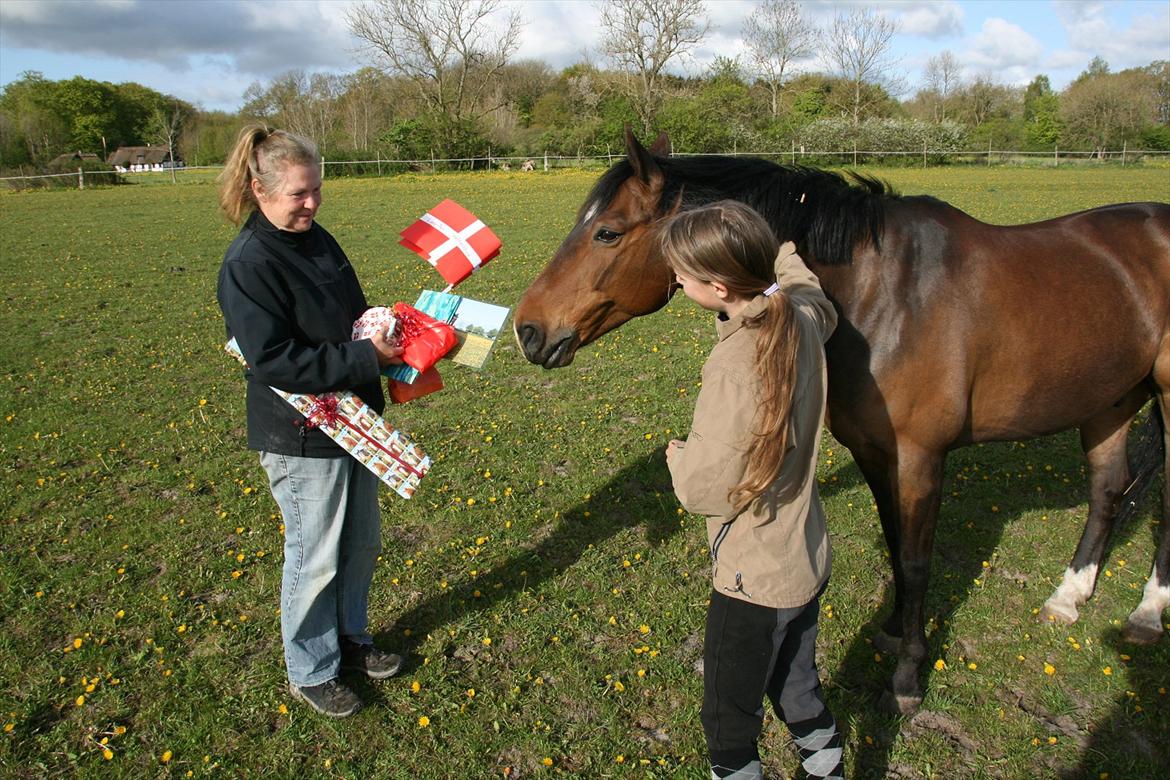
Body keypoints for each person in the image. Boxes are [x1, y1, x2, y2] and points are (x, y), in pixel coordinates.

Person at [216, 124, 405, 718]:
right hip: (301, 432)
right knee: (314, 552)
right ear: (258, 188)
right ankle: (311, 667)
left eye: (317, 189)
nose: (312, 203)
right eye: (299, 193)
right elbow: (272, 359)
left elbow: (345, 315)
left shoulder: (315, 238)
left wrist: (383, 331)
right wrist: (363, 357)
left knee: (360, 542)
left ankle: (352, 639)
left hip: (354, 418)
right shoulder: (248, 263)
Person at [662, 201, 844, 780]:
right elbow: (812, 295)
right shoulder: (802, 318)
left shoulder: (738, 363)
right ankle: (825, 764)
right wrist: (781, 250)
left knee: (728, 719)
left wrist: (678, 457)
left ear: (717, 287)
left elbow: (705, 489)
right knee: (797, 686)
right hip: (803, 560)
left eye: (682, 277)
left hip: (752, 578)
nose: (676, 282)